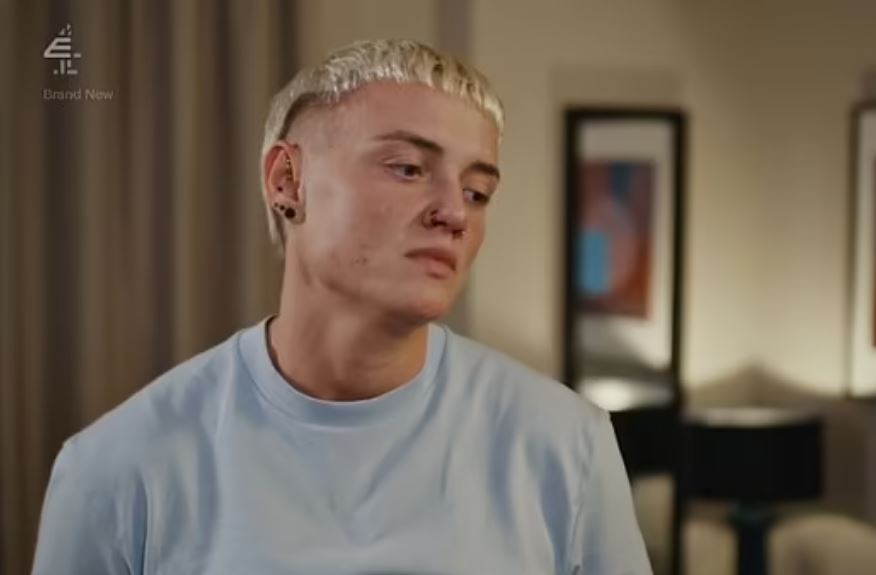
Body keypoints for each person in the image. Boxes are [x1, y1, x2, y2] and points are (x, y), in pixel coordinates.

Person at [31, 39, 651, 574]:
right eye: (409, 168)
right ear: (287, 182)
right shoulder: (117, 469)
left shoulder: (567, 449)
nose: (455, 213)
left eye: (477, 190)